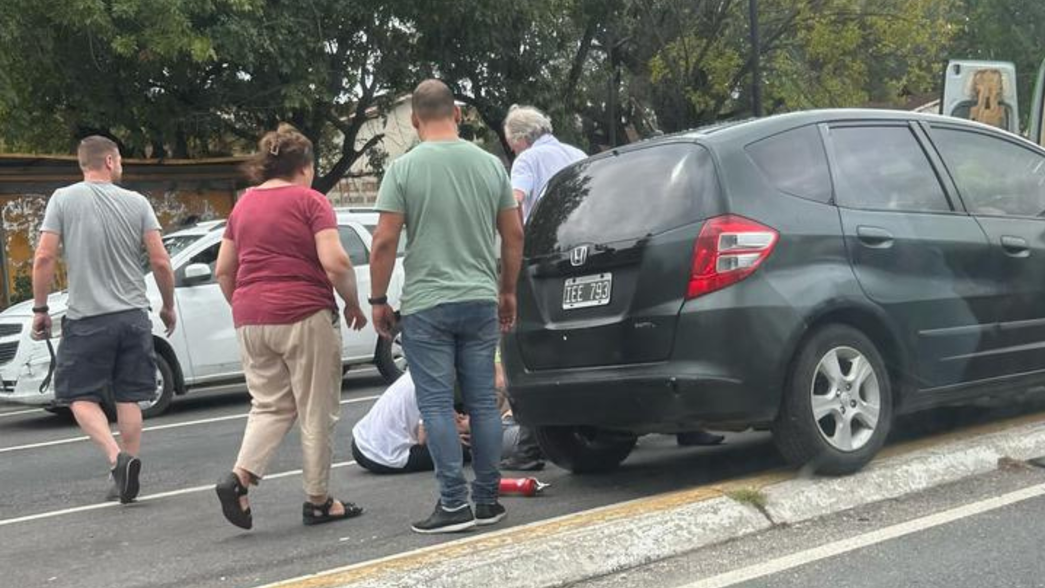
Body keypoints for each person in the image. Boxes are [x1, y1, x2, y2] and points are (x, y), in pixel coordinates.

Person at [369, 79, 524, 534]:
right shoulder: (491, 165)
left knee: (436, 405)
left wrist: (378, 300)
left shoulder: (404, 168)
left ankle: (453, 504)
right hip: (479, 299)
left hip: (427, 304)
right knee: (483, 403)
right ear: (457, 114)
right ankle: (488, 500)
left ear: (415, 120)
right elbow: (513, 235)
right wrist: (508, 290)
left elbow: (383, 242)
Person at [213, 124, 368, 530]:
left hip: (251, 317)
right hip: (304, 313)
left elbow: (223, 271)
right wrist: (352, 303)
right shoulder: (311, 201)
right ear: (306, 167)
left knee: (269, 404)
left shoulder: (243, 206)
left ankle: (240, 478)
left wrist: (247, 306)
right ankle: (318, 501)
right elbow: (336, 263)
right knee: (316, 411)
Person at [31, 135, 177, 504]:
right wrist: (169, 305)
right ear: (109, 161)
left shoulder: (63, 200)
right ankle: (130, 465)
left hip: (88, 319)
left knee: (78, 394)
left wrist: (40, 309)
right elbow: (160, 261)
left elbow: (44, 258)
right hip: (132, 317)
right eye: (121, 160)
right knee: (129, 396)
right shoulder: (138, 203)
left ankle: (116, 461)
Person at [352, 367, 534, 475]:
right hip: (380, 455)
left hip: (361, 440)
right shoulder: (435, 385)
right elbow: (424, 437)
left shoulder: (425, 370)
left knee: (459, 429)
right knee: (462, 451)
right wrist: (458, 431)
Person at [503, 105, 586, 223]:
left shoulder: (526, 159)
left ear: (521, 137)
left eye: (511, 142)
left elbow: (515, 201)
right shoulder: (578, 154)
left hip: (545, 234)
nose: (512, 149)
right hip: (584, 228)